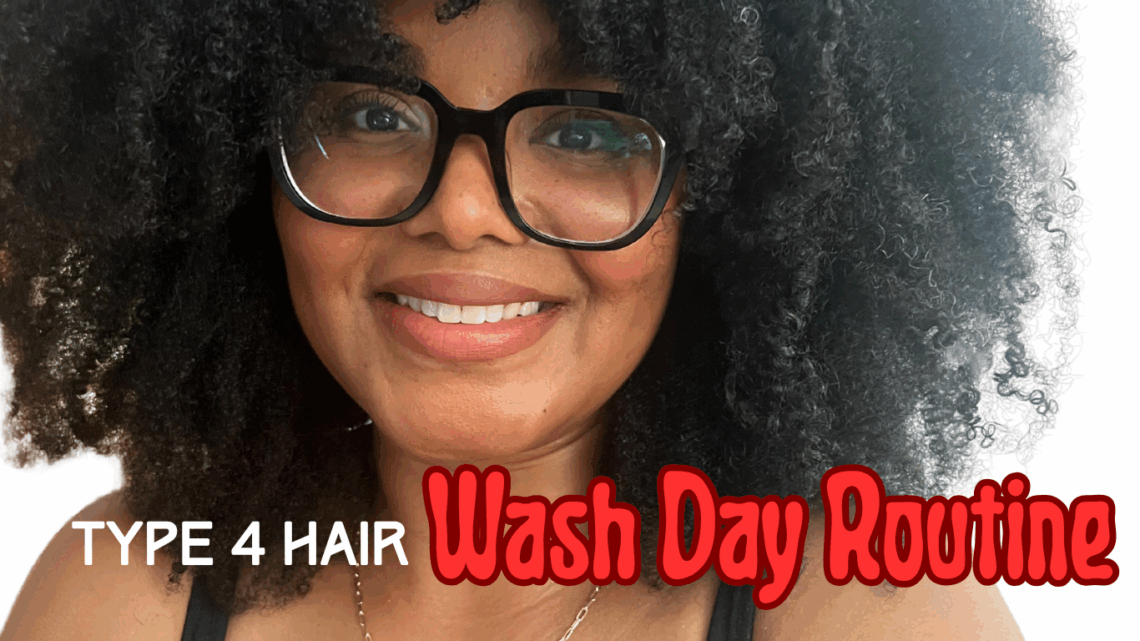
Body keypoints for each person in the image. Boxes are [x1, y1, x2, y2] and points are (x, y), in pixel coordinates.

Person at [0, 0, 1077, 639]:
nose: (462, 211)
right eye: (373, 114)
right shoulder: (127, 592)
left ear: (740, 195)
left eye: (589, 131)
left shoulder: (870, 613)